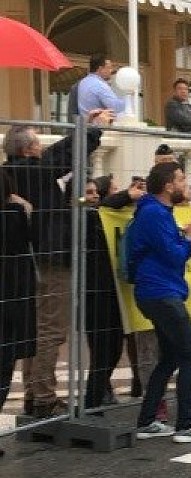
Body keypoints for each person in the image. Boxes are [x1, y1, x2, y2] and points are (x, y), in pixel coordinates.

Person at [2, 114, 106, 418]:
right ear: (27, 149)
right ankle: (44, 397)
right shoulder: (35, 171)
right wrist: (91, 129)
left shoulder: (11, 173)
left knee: (35, 329)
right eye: (37, 143)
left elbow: (57, 155)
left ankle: (34, 393)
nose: (41, 147)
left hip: (28, 261)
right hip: (50, 259)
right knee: (51, 329)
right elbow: (63, 154)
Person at [129, 162, 191, 444]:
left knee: (169, 358)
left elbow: (166, 251)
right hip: (161, 293)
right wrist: (190, 236)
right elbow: (173, 256)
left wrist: (187, 235)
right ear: (168, 186)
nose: (186, 183)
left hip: (157, 292)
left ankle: (147, 421)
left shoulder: (156, 212)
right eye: (181, 179)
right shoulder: (155, 213)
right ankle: (186, 425)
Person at [83, 177, 125, 410]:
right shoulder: (85, 217)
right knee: (101, 350)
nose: (94, 197)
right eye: (89, 193)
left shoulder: (107, 215)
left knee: (115, 349)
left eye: (95, 192)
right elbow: (104, 207)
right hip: (93, 293)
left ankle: (98, 395)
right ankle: (93, 400)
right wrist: (128, 195)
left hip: (113, 291)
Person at [0, 171, 35, 414]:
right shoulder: (14, 214)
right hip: (12, 295)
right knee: (5, 365)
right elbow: (30, 239)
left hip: (11, 295)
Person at [75, 53, 125, 118]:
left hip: (86, 122)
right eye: (109, 67)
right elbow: (116, 107)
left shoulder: (83, 82)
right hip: (99, 123)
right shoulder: (99, 85)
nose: (111, 71)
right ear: (100, 68)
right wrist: (129, 97)